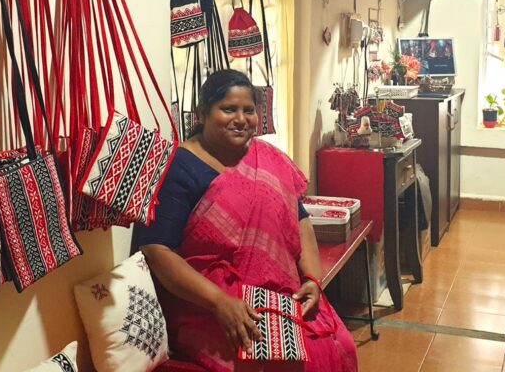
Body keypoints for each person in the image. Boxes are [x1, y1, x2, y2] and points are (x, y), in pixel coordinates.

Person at [132, 69, 357, 372]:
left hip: (277, 294)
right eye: (228, 109)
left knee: (335, 343)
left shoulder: (268, 157)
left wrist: (313, 279)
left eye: (248, 110)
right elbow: (157, 250)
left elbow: (299, 216)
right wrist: (220, 303)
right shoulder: (180, 167)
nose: (241, 119)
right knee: (266, 361)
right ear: (202, 114)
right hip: (206, 305)